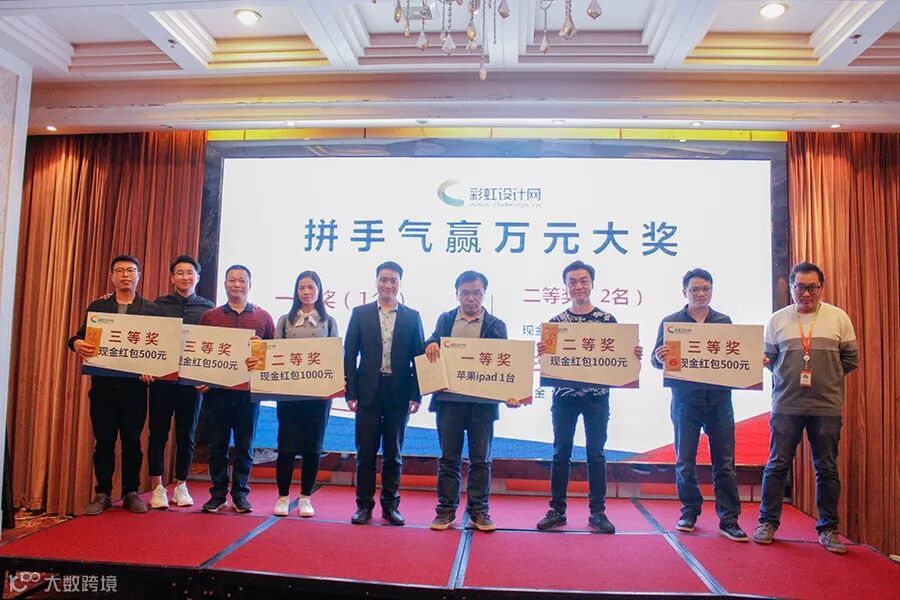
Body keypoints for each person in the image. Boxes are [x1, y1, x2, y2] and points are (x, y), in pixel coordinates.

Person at [754, 262, 858, 554]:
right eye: (800, 287)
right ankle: (767, 523)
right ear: (791, 287)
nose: (806, 293)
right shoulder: (777, 320)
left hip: (826, 406)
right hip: (786, 405)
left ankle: (829, 530)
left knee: (826, 468)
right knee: (777, 465)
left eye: (812, 287)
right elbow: (770, 360)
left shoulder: (838, 317)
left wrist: (827, 380)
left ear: (821, 288)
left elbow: (850, 360)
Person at [535, 260, 642, 533]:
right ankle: (557, 510)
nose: (578, 286)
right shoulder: (556, 324)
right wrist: (543, 354)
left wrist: (632, 355)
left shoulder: (607, 321)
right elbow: (550, 363)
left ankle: (598, 512)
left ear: (592, 284)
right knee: (561, 453)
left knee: (596, 453)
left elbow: (621, 357)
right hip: (564, 397)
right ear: (566, 287)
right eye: (572, 282)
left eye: (583, 281)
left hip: (596, 398)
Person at [651, 268, 746, 541]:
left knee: (725, 462)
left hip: (719, 400)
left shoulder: (724, 322)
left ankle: (729, 519)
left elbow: (734, 357)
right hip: (685, 401)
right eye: (695, 289)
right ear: (685, 292)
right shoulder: (671, 322)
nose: (701, 294)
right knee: (685, 460)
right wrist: (659, 356)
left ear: (712, 290)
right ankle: (689, 512)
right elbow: (656, 361)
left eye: (706, 289)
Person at [68, 255, 161, 515]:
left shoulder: (151, 310)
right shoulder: (99, 307)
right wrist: (76, 344)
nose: (125, 275)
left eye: (130, 270)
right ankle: (103, 493)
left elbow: (159, 350)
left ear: (138, 275)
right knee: (104, 442)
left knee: (132, 442)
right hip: (103, 389)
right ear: (112, 276)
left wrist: (152, 371)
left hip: (135, 390)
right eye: (119, 271)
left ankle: (131, 492)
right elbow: (78, 337)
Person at [425, 270, 515, 532]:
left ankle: (479, 512)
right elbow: (432, 341)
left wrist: (511, 392)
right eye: (465, 293)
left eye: (476, 293)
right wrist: (430, 344)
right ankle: (445, 511)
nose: (471, 298)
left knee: (480, 460)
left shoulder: (496, 325)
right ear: (457, 294)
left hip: (482, 405)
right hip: (449, 402)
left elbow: (505, 363)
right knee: (448, 459)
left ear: (484, 294)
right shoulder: (446, 319)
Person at [344, 261, 424, 526]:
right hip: (368, 391)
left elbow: (419, 359)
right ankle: (363, 506)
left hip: (398, 392)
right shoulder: (361, 313)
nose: (388, 285)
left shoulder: (412, 317)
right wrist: (350, 392)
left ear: (400, 283)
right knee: (365, 453)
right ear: (376, 282)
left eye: (393, 280)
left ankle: (390, 506)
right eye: (383, 279)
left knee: (393, 454)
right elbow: (349, 355)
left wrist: (416, 394)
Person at [199, 265, 275, 514]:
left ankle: (241, 494)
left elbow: (274, 355)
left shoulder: (263, 318)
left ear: (249, 285)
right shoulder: (210, 317)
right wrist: (199, 378)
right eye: (232, 280)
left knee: (245, 445)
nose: (236, 284)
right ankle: (218, 494)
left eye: (242, 280)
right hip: (217, 393)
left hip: (249, 394)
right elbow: (201, 351)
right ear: (224, 284)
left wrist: (260, 355)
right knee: (217, 446)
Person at [268, 271, 338, 518]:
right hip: (289, 395)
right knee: (286, 446)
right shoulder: (284, 321)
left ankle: (306, 497)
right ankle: (283, 496)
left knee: (313, 447)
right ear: (296, 292)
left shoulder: (328, 321)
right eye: (302, 288)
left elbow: (334, 357)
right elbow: (274, 354)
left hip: (318, 398)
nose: (306, 292)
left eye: (311, 287)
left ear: (319, 291)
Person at [148, 255, 214, 510]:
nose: (185, 277)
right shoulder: (159, 306)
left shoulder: (208, 309)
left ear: (197, 277)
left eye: (190, 273)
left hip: (191, 384)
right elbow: (149, 338)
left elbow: (212, 347)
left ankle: (181, 485)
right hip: (163, 381)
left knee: (187, 436)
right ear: (172, 278)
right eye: (180, 273)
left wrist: (207, 378)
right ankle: (157, 487)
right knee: (158, 434)